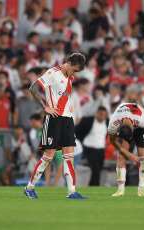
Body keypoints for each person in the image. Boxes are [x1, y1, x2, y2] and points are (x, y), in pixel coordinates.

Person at [24, 53, 88, 199]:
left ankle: (71, 192)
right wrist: (44, 107)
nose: (76, 73)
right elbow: (33, 88)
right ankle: (29, 187)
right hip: (53, 119)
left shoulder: (70, 76)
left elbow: (63, 94)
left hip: (67, 120)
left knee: (69, 156)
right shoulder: (53, 73)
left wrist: (69, 105)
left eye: (78, 71)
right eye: (75, 70)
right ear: (69, 63)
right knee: (49, 156)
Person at [108, 103, 144, 196]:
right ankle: (120, 190)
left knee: (143, 155)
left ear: (133, 128)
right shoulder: (113, 123)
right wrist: (128, 154)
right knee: (121, 155)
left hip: (140, 124)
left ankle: (141, 190)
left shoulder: (143, 121)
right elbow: (113, 141)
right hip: (125, 118)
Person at [76, 106, 109, 186]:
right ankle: (97, 188)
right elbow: (77, 131)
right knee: (96, 170)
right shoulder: (88, 121)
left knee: (98, 169)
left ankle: (91, 187)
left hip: (101, 149)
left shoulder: (107, 122)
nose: (102, 117)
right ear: (96, 114)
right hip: (90, 148)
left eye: (104, 115)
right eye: (100, 114)